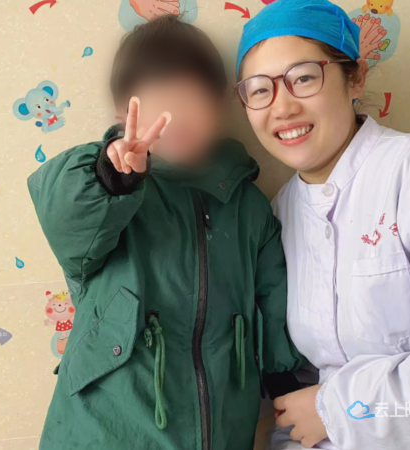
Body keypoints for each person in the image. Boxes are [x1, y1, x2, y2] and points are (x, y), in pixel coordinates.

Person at [28, 15, 304, 450]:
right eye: (157, 107)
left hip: (221, 426)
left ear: (220, 105)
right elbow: (66, 220)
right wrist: (113, 178)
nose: (175, 120)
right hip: (106, 428)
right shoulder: (109, 193)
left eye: (191, 102)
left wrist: (285, 379)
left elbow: (273, 299)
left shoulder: (248, 206)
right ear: (124, 116)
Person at [234, 0, 410, 449]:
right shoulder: (277, 215)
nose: (282, 108)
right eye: (259, 89)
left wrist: (337, 409)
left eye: (303, 78)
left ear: (356, 77)